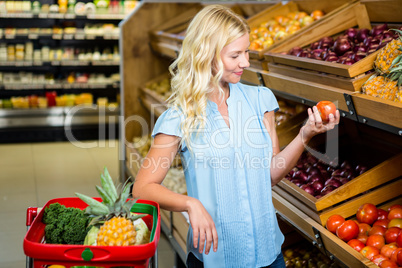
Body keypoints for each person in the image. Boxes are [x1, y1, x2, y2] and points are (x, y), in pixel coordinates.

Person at [132, 4, 340, 268]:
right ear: (206, 55)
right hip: (215, 258)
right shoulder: (179, 117)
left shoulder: (260, 100)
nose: (246, 62)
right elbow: (143, 188)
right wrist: (190, 204)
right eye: (235, 55)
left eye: (247, 52)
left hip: (269, 256)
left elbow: (270, 175)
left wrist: (304, 135)